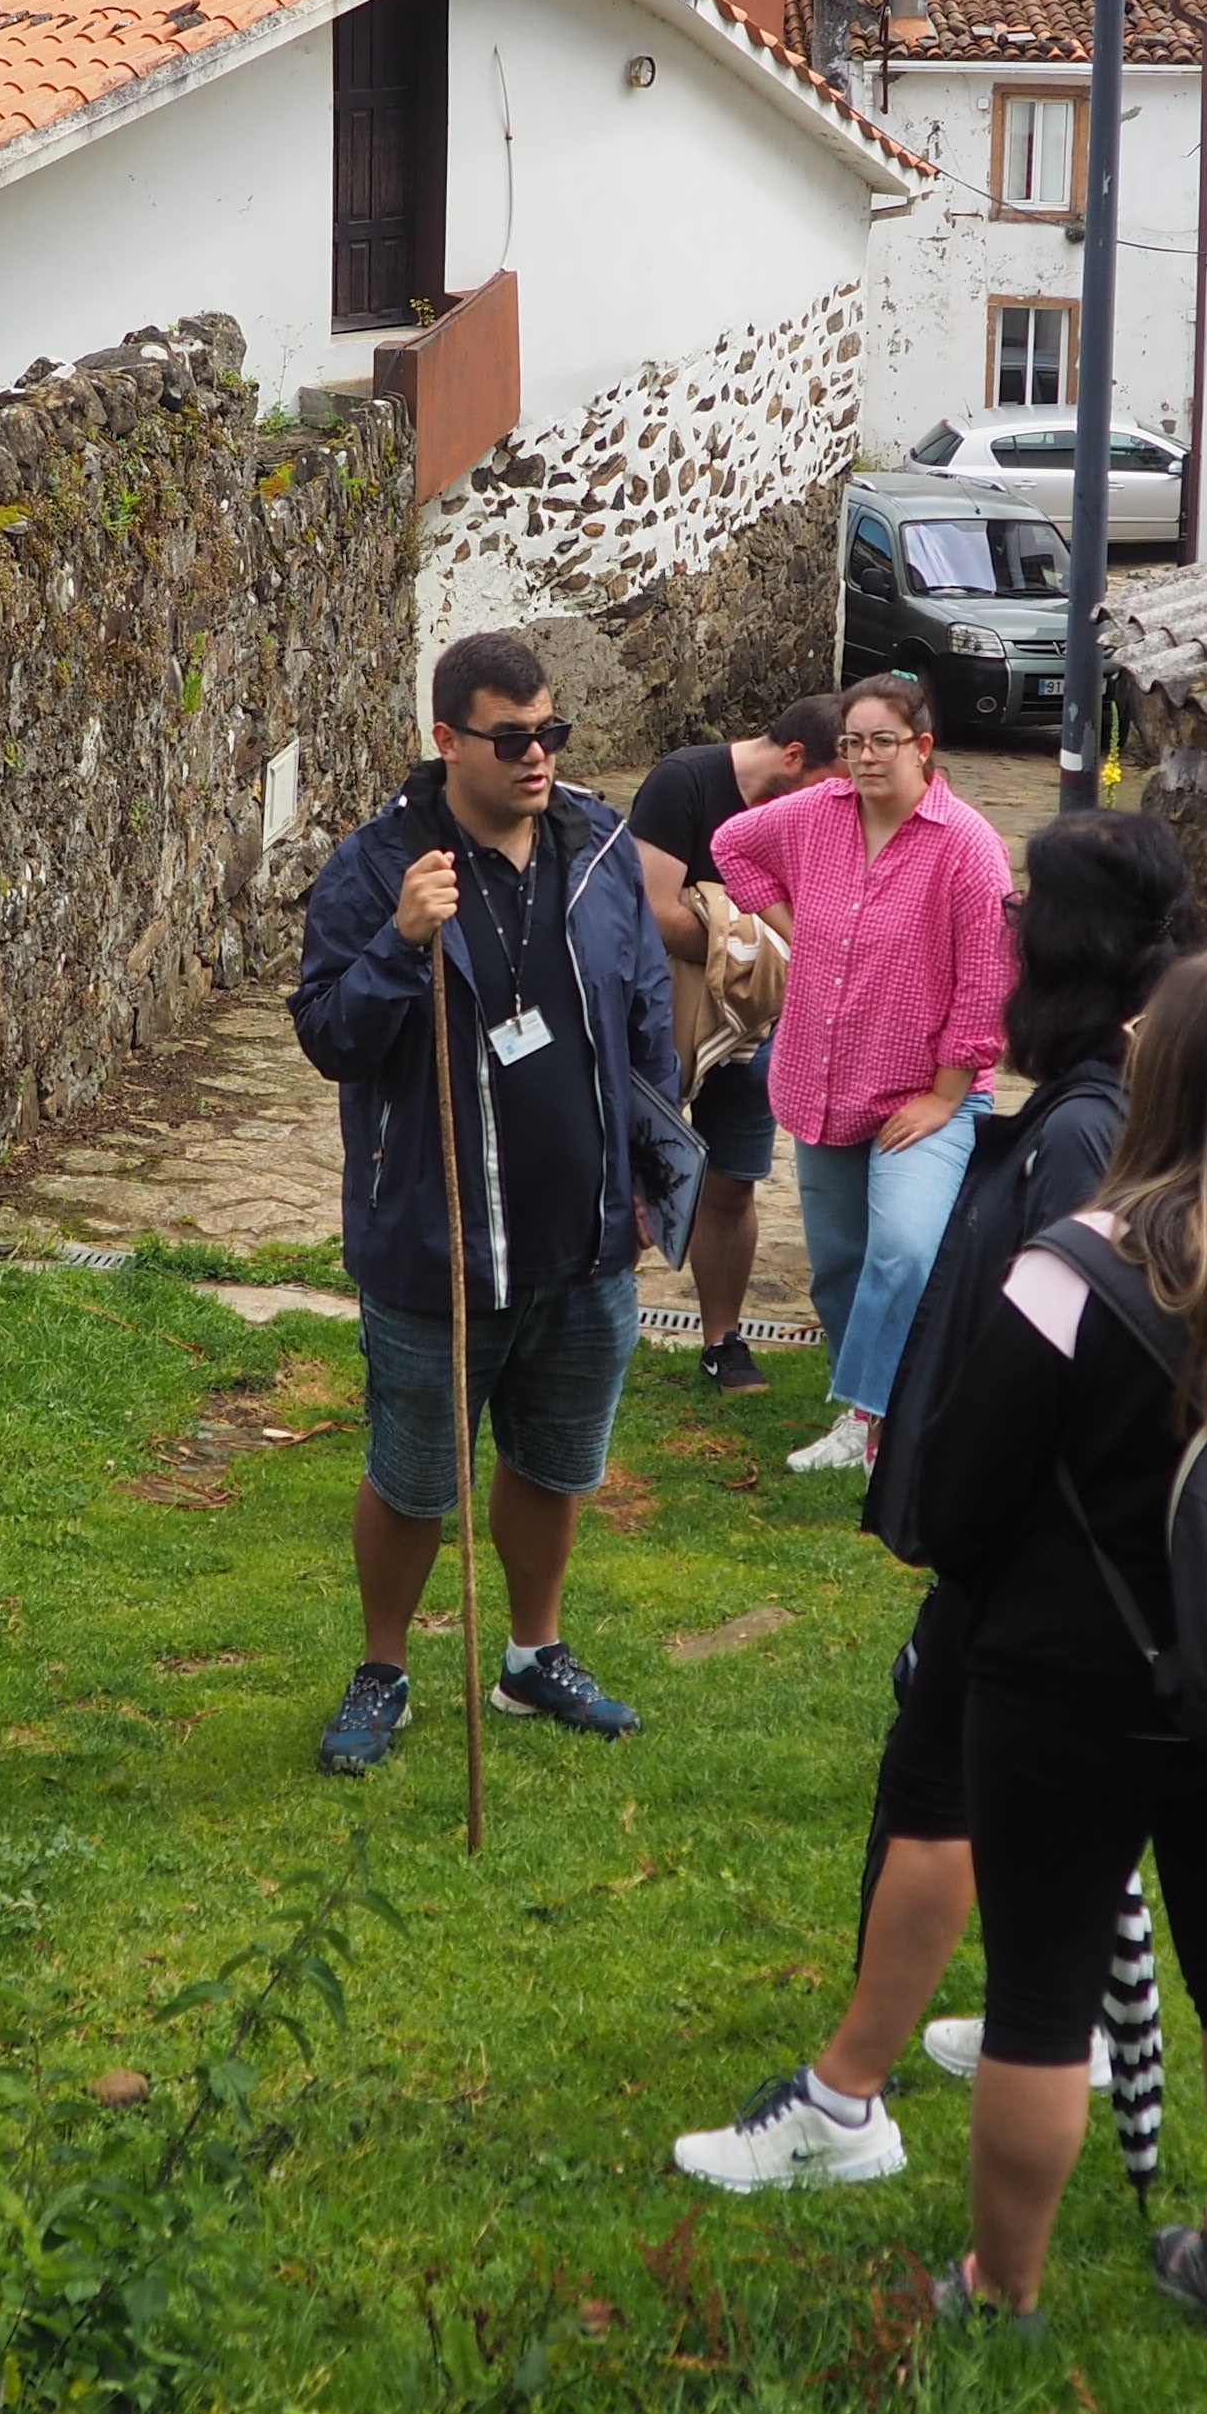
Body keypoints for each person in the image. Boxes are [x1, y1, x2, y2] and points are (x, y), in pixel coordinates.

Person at [669, 811, 1194, 2194]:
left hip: (1038, 1557)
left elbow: (1079, 1365)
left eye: (1029, 907)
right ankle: (1065, 2019)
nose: (1007, 927)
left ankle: (847, 2106)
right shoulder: (1102, 1093)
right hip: (1060, 1552)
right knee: (1017, 1798)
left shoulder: (1086, 1128)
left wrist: (971, 1537)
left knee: (935, 1795)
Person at [910, 951, 1207, 2339]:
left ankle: (1002, 2287)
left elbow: (959, 1500)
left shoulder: (1071, 1272)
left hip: (1069, 1683)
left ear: (1159, 1082)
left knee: (1045, 1985)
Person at [292, 631, 700, 1775]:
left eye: (551, 734)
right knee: (416, 1479)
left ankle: (533, 1655)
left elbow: (640, 1020)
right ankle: (384, 1670)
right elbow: (330, 1037)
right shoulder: (378, 870)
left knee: (557, 1464)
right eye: (513, 738)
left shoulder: (600, 843)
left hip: (585, 1244)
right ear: (447, 739)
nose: (538, 758)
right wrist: (399, 941)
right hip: (439, 1244)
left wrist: (649, 1176)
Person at [712, 672, 1015, 1477]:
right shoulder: (817, 814)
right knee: (842, 1262)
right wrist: (795, 924)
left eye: (884, 741)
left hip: (927, 1093)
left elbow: (988, 981)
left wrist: (949, 1092)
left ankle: (877, 1417)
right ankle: (863, 1416)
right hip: (823, 1076)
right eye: (853, 743)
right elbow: (731, 845)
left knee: (906, 1253)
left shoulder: (967, 847)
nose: (866, 758)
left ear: (922, 747)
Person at [628, 699, 844, 1389]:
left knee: (731, 1185)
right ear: (792, 758)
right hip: (659, 1021)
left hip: (756, 1031)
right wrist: (753, 944)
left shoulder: (817, 815)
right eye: (827, 782)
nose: (835, 805)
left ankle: (723, 1341)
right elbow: (652, 909)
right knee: (628, 1175)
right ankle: (592, 1322)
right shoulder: (684, 783)